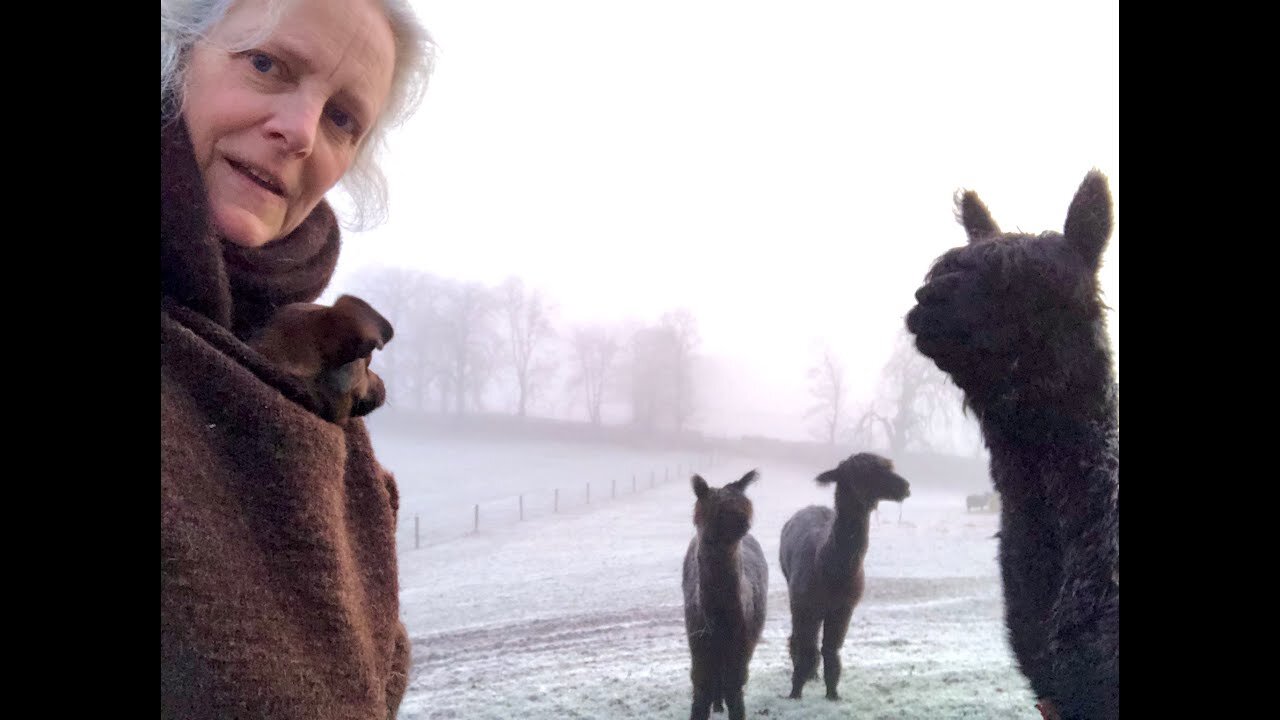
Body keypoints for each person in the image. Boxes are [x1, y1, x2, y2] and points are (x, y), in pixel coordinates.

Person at [161, 0, 434, 717]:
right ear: (175, 55)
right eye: (266, 64)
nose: (303, 132)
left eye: (343, 118)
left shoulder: (325, 407)